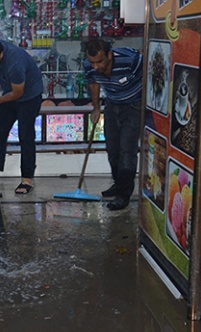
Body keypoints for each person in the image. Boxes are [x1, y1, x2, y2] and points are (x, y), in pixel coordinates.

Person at [0, 38, 43, 194]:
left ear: (1, 55)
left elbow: (18, 93)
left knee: (25, 136)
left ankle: (27, 179)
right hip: (10, 94)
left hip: (29, 96)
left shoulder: (15, 64)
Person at [84, 39, 143, 210]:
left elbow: (151, 74)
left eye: (99, 62)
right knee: (113, 149)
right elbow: (93, 83)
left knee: (127, 150)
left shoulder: (130, 60)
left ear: (109, 55)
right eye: (92, 62)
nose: (96, 67)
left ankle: (124, 195)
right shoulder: (89, 65)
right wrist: (96, 108)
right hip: (112, 104)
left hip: (134, 106)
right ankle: (119, 183)